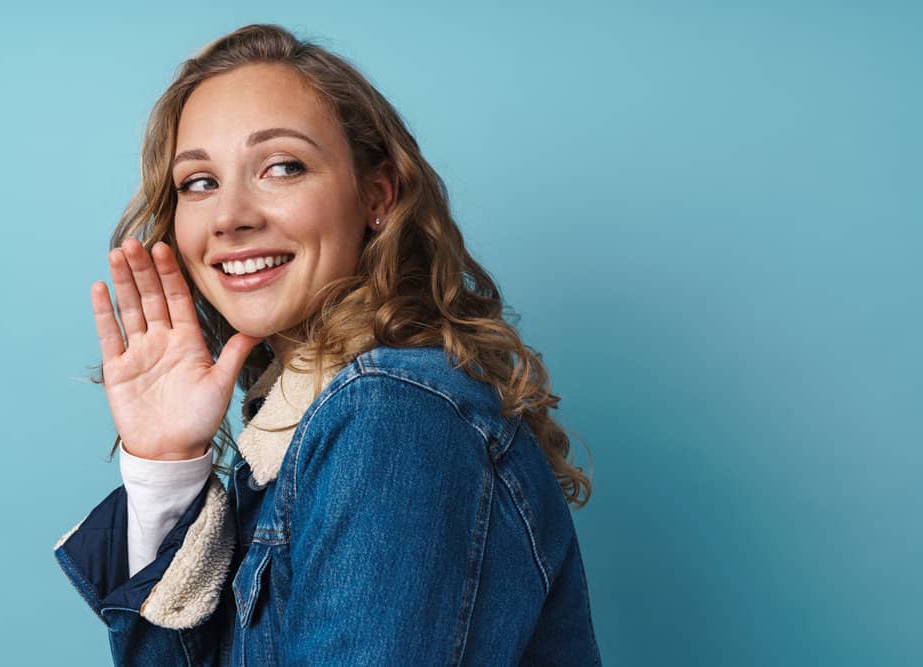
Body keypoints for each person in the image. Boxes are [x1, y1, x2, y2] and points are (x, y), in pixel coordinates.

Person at [52, 23, 603, 666]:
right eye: (199, 182)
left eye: (282, 167)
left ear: (376, 196)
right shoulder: (313, 423)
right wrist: (165, 470)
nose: (230, 216)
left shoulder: (391, 414)